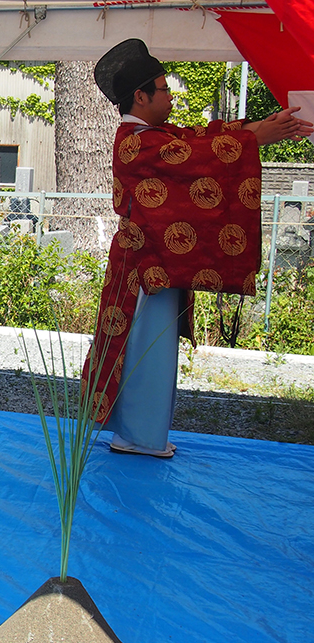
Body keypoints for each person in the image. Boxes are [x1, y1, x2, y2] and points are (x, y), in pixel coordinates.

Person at [85, 38, 313, 458]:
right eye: (164, 88)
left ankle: (140, 433)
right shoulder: (135, 142)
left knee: (151, 350)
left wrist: (261, 126)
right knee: (143, 352)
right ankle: (136, 436)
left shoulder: (153, 135)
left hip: (157, 263)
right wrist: (256, 137)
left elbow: (199, 138)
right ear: (141, 96)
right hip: (144, 268)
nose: (171, 96)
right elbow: (196, 153)